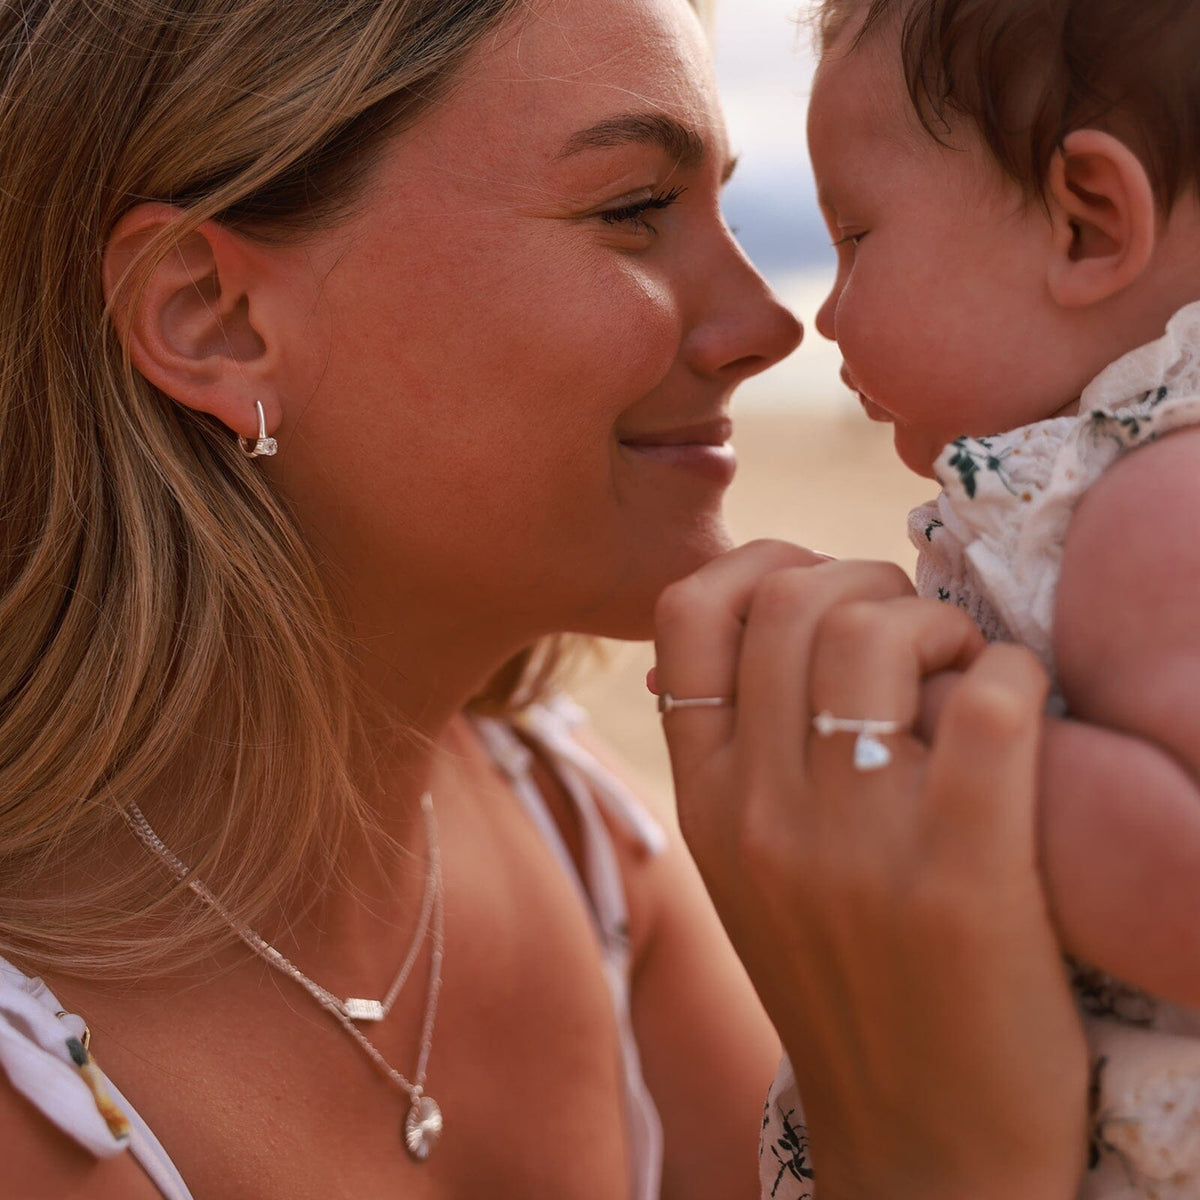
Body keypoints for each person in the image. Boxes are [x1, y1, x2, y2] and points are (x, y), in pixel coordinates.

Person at [0, 0, 1086, 1197]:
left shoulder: (582, 843)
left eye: (726, 210)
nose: (771, 326)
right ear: (214, 314)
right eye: (634, 210)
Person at [729, 0, 1200, 1196]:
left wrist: (914, 729)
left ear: (1088, 225)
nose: (821, 313)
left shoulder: (1158, 500)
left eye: (857, 237)